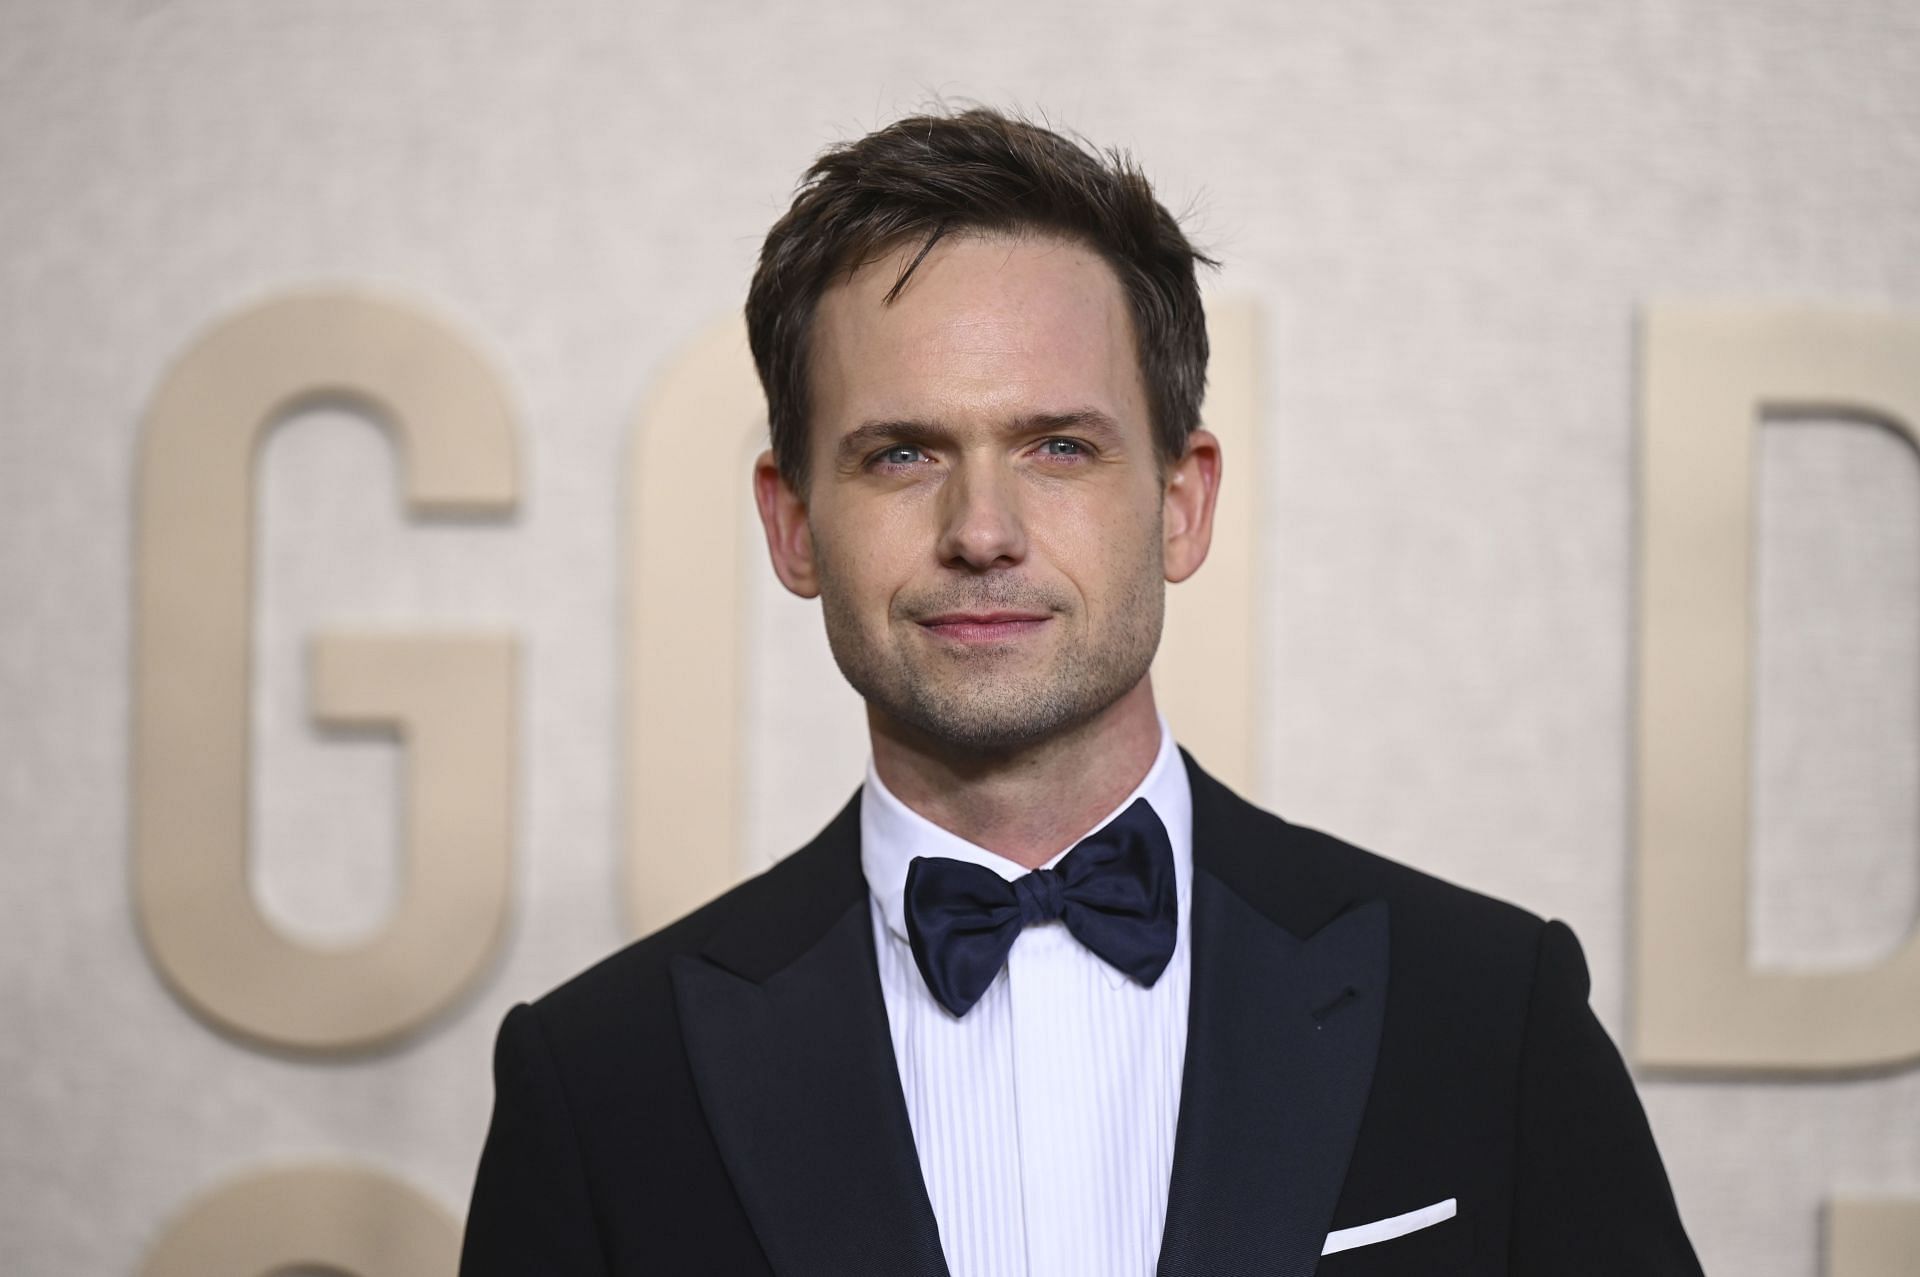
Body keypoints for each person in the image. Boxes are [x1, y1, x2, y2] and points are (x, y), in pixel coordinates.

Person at [461, 108, 1703, 1277]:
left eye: (1059, 446)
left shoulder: (1490, 1011)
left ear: (1181, 499)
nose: (983, 530)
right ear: (791, 525)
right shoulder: (599, 1081)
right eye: (903, 454)